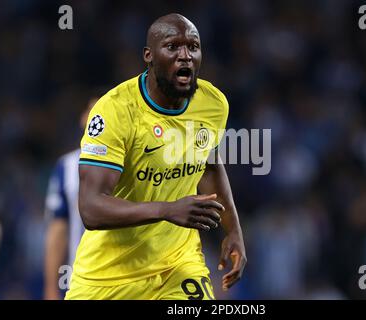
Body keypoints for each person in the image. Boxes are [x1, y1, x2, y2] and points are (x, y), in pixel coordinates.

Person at [65, 13, 246, 300]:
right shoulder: (115, 110)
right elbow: (91, 207)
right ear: (149, 56)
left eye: (193, 47)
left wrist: (233, 230)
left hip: (177, 265)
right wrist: (167, 210)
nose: (185, 56)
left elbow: (209, 166)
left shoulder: (213, 104)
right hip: (107, 277)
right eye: (173, 47)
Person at [44, 98, 97, 300]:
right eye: (91, 110)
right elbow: (58, 228)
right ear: (82, 118)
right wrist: (51, 289)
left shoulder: (134, 162)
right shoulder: (66, 166)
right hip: (80, 276)